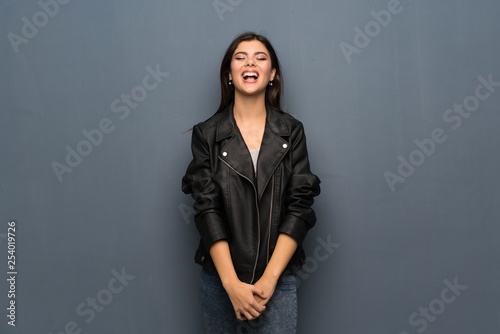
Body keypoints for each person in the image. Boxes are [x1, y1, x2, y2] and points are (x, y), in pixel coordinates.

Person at [182, 31, 321, 333]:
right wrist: (231, 284)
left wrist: (269, 281)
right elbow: (207, 210)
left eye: (261, 58)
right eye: (240, 57)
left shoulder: (291, 131)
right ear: (229, 74)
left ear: (272, 74)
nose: (250, 63)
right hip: (220, 282)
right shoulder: (206, 134)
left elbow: (300, 207)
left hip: (277, 282)